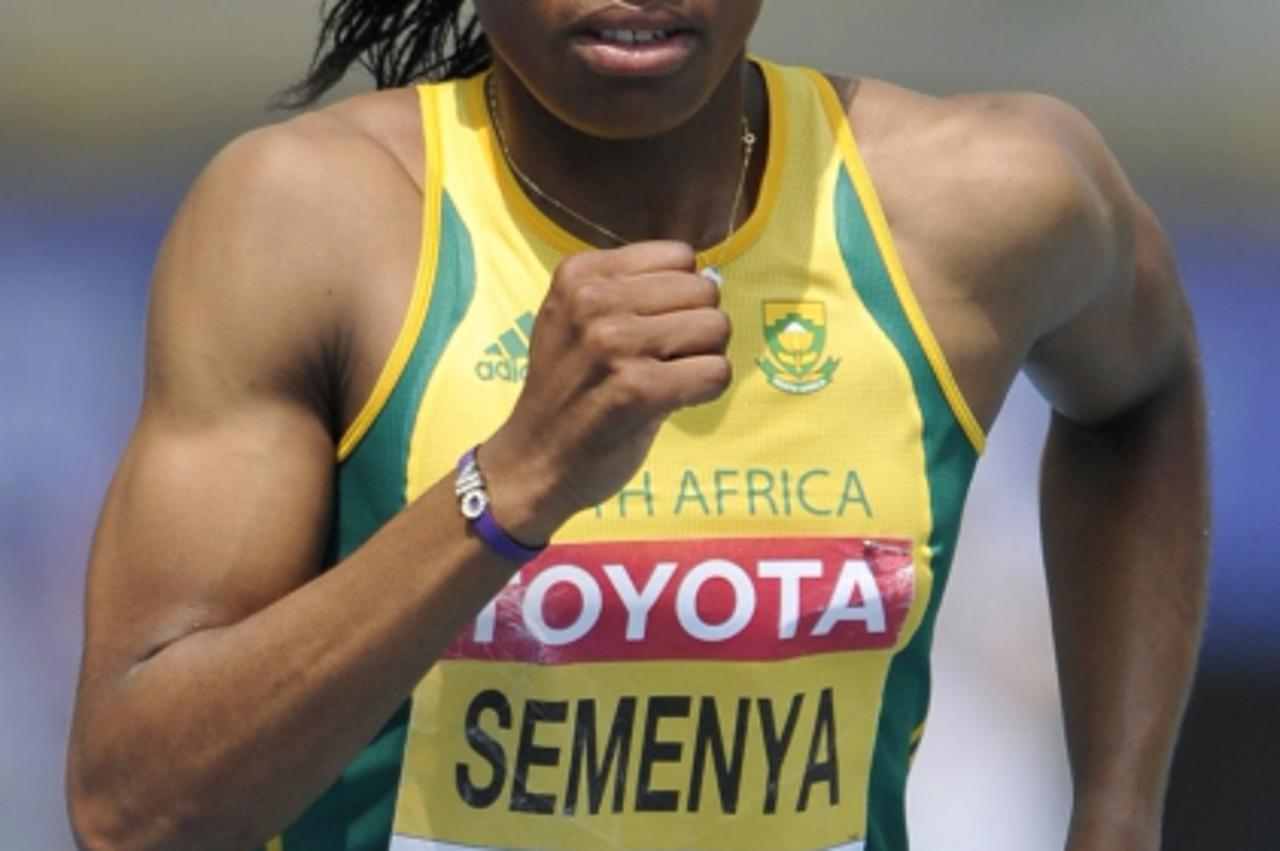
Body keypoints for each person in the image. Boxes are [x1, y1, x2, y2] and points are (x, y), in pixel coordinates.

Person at [65, 1, 1209, 849]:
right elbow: (135, 805)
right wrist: (510, 488)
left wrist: (1116, 809)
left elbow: (1142, 393)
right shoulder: (309, 224)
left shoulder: (985, 201)